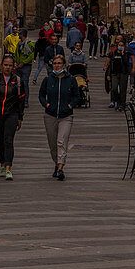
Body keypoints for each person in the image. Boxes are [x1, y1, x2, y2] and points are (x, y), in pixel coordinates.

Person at [39, 50, 81, 180]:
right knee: (52, 144)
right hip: (50, 115)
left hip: (66, 116)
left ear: (64, 65)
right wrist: (46, 105)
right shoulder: (48, 79)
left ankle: (61, 168)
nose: (57, 66)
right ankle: (57, 163)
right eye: (55, 63)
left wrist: (70, 105)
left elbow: (76, 96)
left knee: (61, 141)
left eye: (59, 63)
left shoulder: (71, 80)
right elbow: (41, 95)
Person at [0, 53, 25, 180]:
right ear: (2, 66)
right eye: (5, 65)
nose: (7, 67)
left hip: (12, 114)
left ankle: (8, 168)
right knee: (0, 141)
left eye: (10, 65)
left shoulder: (18, 81)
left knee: (8, 140)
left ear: (13, 66)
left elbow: (21, 101)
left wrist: (20, 117)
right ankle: (2, 163)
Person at [105, 34, 132, 109]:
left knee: (123, 89)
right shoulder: (113, 52)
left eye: (122, 45)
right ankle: (118, 101)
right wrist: (108, 73)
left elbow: (126, 63)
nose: (120, 46)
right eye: (119, 45)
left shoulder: (126, 53)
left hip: (123, 73)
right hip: (115, 73)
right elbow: (110, 62)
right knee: (114, 88)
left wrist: (123, 54)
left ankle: (122, 105)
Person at [13, 29, 36, 106]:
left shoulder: (29, 44)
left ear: (22, 35)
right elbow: (16, 54)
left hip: (26, 66)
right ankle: (18, 99)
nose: (18, 35)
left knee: (25, 83)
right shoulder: (19, 44)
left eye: (19, 34)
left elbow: (32, 55)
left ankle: (25, 101)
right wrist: (15, 62)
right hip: (18, 66)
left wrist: (24, 62)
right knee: (17, 83)